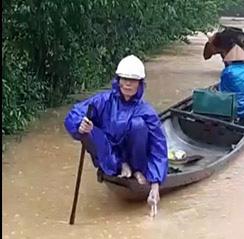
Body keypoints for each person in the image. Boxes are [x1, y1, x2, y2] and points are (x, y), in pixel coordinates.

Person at [64, 55, 167, 210]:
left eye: (132, 80)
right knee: (88, 128)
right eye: (124, 79)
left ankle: (138, 170)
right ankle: (119, 166)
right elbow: (75, 113)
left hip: (136, 157)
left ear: (140, 84)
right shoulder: (103, 101)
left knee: (138, 125)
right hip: (109, 155)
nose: (127, 84)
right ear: (118, 80)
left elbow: (158, 148)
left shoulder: (146, 112)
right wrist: (79, 125)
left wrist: (155, 185)